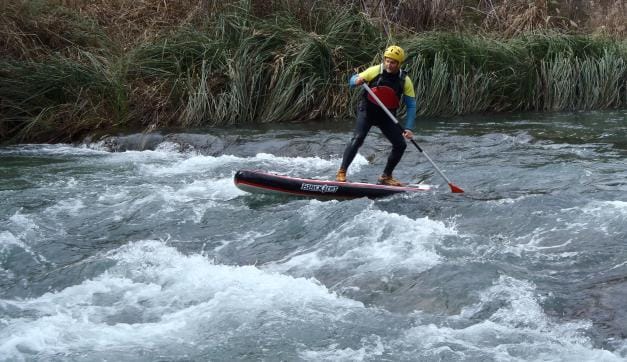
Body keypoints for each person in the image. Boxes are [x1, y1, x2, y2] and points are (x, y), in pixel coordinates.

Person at [336, 45, 416, 186]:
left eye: (393, 62)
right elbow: (352, 80)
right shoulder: (375, 71)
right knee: (358, 138)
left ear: (399, 64)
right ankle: (342, 171)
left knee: (400, 145)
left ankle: (386, 176)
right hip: (367, 111)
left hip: (386, 116)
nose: (389, 65)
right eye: (387, 61)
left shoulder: (405, 80)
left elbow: (411, 105)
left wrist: (409, 128)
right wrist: (356, 81)